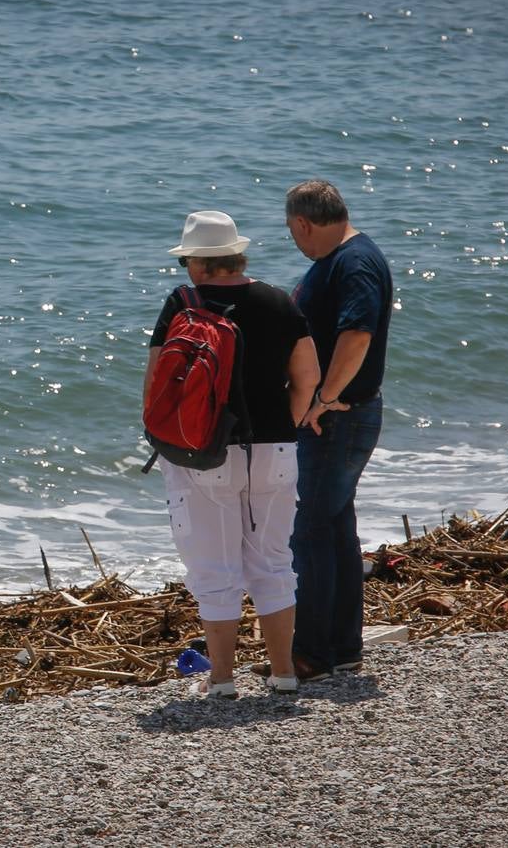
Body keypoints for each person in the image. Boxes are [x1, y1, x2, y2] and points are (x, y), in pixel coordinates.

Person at [144, 210, 319, 698]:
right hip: (275, 449)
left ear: (200, 264)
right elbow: (307, 378)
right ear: (236, 255)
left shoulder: (185, 302)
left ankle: (222, 680)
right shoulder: (280, 301)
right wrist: (288, 424)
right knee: (272, 562)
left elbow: (157, 380)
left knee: (214, 568)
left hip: (204, 453)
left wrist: (164, 437)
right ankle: (283, 673)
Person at [278, 179, 393, 682]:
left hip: (339, 416)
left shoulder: (354, 261)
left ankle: (312, 653)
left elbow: (358, 332)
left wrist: (323, 398)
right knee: (336, 528)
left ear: (303, 222)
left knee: (311, 532)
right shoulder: (347, 258)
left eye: (291, 231)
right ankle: (343, 648)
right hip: (342, 413)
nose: (294, 241)